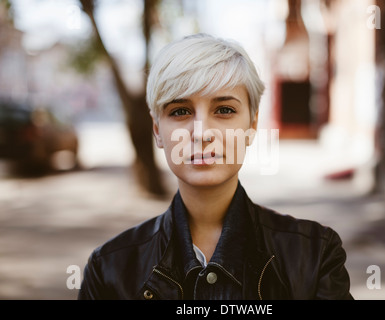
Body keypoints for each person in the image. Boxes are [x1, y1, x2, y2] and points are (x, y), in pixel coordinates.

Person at [78, 33, 353, 300]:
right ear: (157, 130)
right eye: (180, 111)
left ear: (252, 125)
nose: (202, 133)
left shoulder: (316, 254)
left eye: (224, 110)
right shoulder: (109, 269)